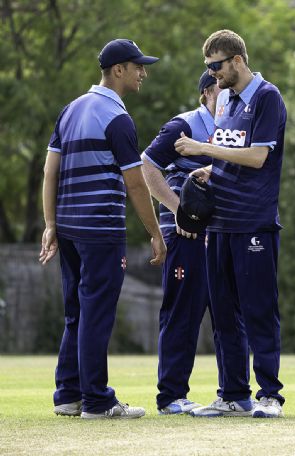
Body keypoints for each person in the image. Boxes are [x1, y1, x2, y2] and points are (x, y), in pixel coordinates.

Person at [40, 39, 165, 419]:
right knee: (96, 314)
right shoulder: (117, 118)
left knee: (77, 312)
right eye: (137, 66)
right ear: (118, 70)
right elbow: (136, 183)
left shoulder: (70, 109)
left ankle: (68, 395)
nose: (143, 73)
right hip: (100, 230)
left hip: (70, 228)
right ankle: (96, 401)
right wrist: (156, 232)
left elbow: (50, 171)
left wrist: (50, 224)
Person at [173, 29, 287, 419]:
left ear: (237, 60)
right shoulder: (223, 99)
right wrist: (208, 169)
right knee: (222, 313)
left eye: (216, 66)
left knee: (258, 310)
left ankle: (270, 395)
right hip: (218, 222)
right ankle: (234, 394)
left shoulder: (267, 97)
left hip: (253, 221)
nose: (212, 74)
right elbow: (230, 155)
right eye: (208, 67)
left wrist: (201, 147)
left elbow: (256, 158)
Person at [141, 71, 224, 414]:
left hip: (222, 237)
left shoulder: (238, 128)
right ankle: (171, 396)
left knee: (228, 316)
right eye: (223, 88)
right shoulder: (183, 125)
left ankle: (232, 394)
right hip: (186, 236)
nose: (231, 94)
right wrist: (180, 212)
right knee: (182, 315)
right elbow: (146, 165)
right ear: (206, 92)